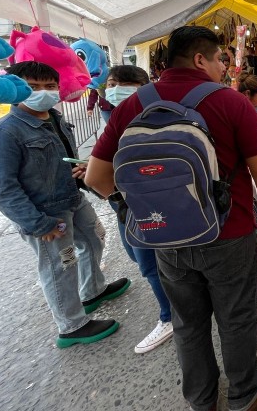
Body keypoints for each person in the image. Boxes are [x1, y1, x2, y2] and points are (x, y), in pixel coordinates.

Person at [85, 26, 257, 411]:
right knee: (235, 316)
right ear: (200, 59)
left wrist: (141, 205)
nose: (223, 69)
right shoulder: (230, 102)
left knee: (187, 321)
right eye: (219, 60)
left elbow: (96, 177)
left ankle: (201, 399)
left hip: (165, 235)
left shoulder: (133, 105)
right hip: (228, 232)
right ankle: (245, 392)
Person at [0, 61, 129, 348]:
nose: (43, 93)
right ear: (13, 90)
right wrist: (38, 224)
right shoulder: (4, 133)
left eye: (49, 87)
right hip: (46, 214)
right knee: (60, 265)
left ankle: (93, 290)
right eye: (32, 87)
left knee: (95, 239)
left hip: (73, 199)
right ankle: (71, 325)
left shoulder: (56, 118)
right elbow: (2, 188)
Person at [102, 65, 175, 354]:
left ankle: (170, 316)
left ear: (143, 87)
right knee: (143, 257)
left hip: (136, 205)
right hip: (142, 202)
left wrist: (120, 195)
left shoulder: (123, 118)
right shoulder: (120, 117)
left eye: (125, 84)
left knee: (146, 261)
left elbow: (99, 176)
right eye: (112, 83)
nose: (116, 89)